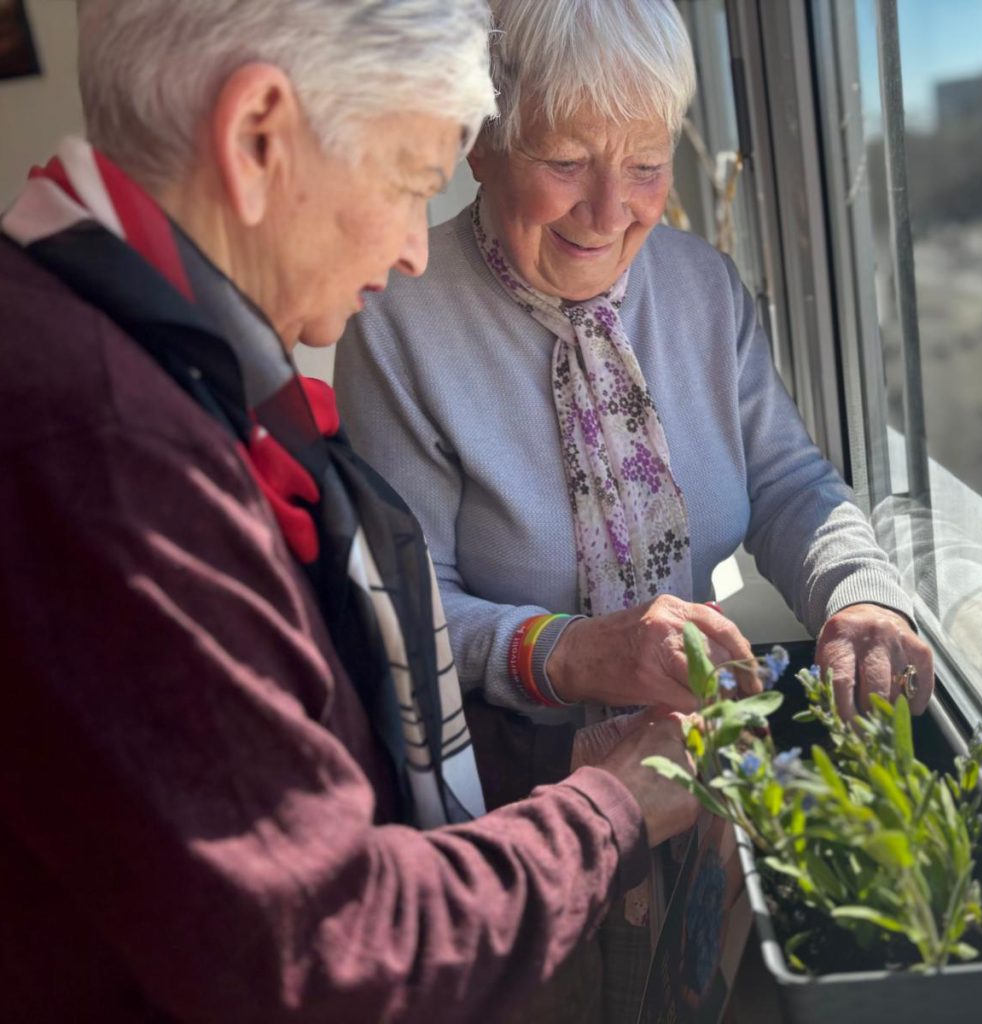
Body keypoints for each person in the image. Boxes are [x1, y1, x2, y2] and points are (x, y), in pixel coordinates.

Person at [0, 1, 704, 1021]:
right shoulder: (101, 449)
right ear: (258, 140)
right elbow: (321, 950)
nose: (417, 249)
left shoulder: (91, 345)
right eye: (413, 180)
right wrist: (613, 809)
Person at [335, 0, 935, 1018]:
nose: (610, 209)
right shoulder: (396, 321)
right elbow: (409, 609)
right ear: (482, 143)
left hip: (704, 757)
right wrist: (575, 651)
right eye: (566, 159)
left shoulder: (701, 287)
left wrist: (860, 595)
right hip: (518, 797)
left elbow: (790, 481)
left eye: (647, 162)